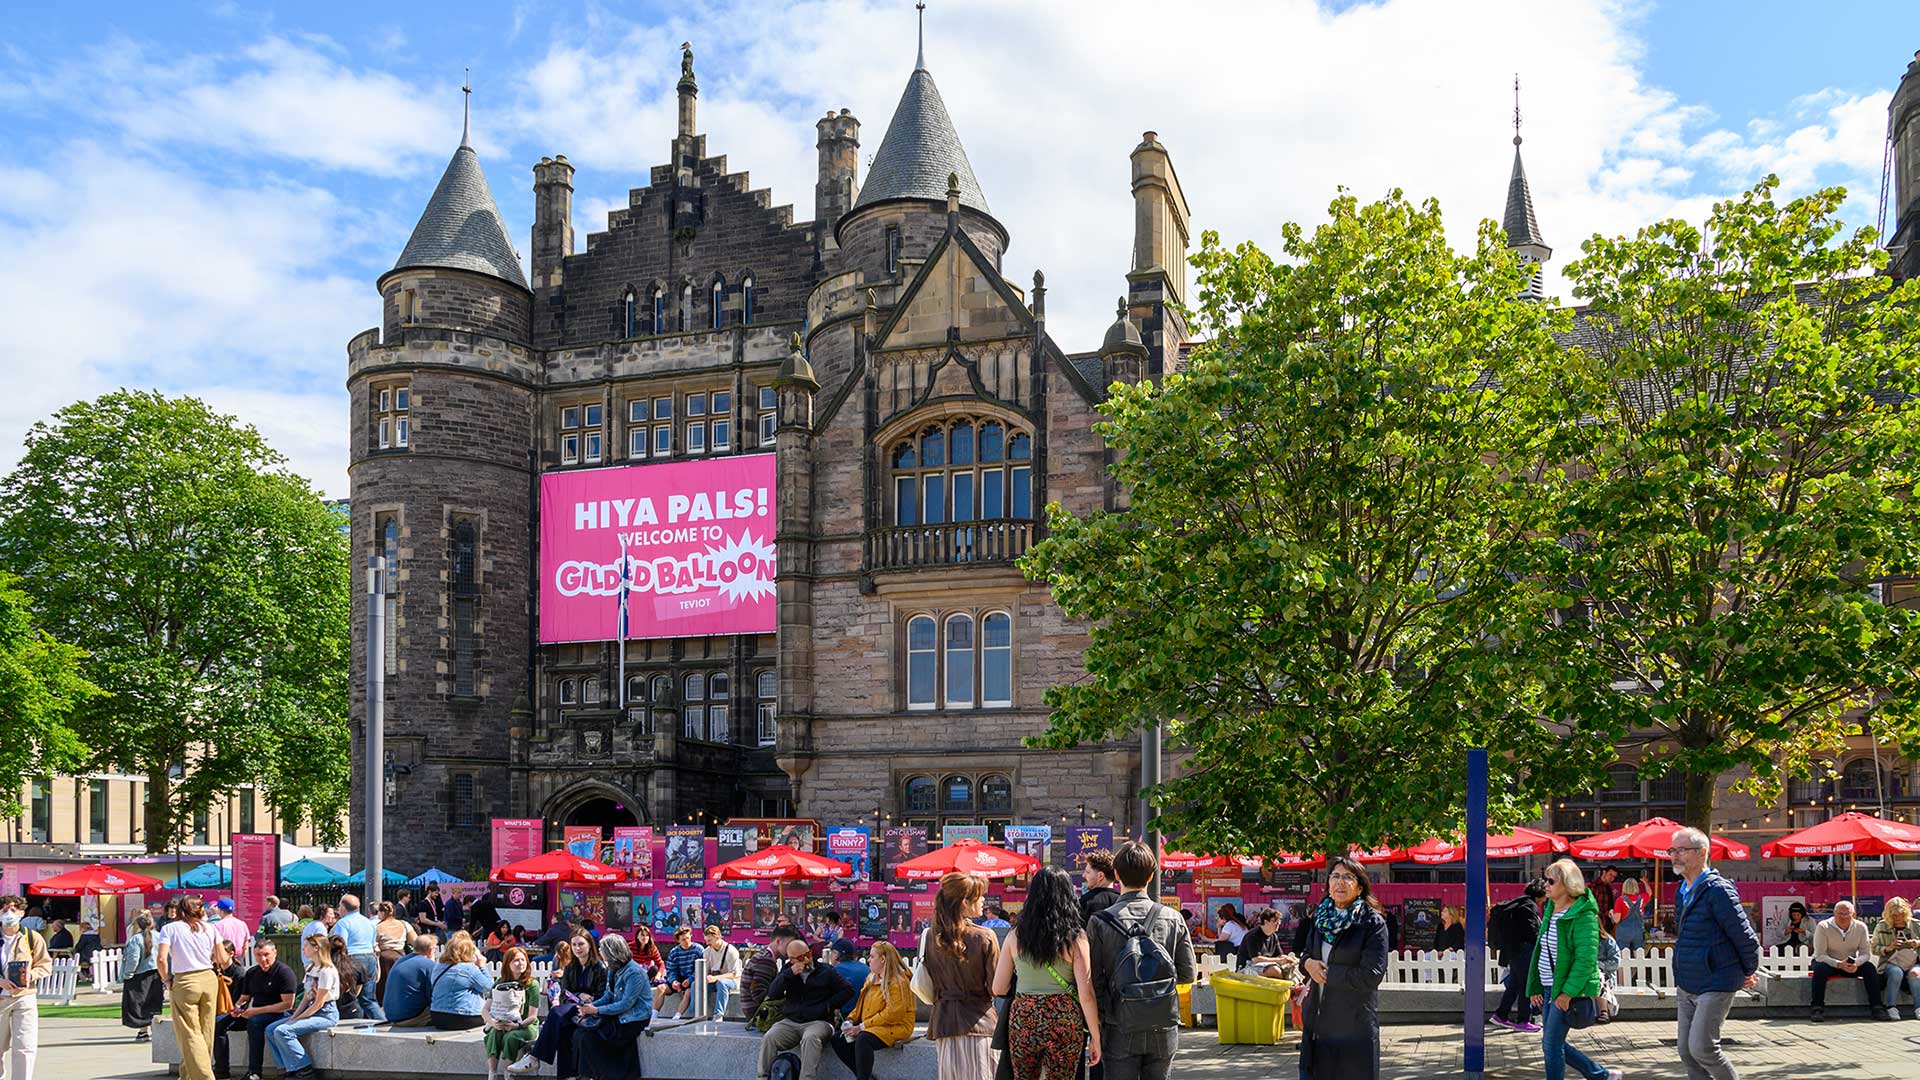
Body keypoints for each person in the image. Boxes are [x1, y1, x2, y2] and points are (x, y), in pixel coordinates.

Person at [1087, 840, 1195, 1080]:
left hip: (1118, 1025)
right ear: (1151, 876)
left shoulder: (1099, 922)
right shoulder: (1173, 918)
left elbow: (1093, 981)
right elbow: (1188, 973)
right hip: (1162, 1023)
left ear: (1116, 874)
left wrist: (1102, 1021)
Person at [992, 867, 1103, 1080]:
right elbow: (1086, 994)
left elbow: (998, 988)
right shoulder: (1076, 937)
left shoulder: (1015, 935)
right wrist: (1096, 1038)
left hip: (1024, 1015)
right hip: (1064, 1018)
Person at [1669, 826, 1759, 1080]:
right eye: (1672, 850)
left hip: (1716, 980)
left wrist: (1748, 970)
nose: (1674, 856)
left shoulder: (1718, 890)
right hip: (1687, 982)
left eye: (1681, 850)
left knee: (1703, 1048)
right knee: (1687, 1052)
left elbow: (1745, 936)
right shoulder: (1682, 890)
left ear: (1702, 853)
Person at [1524, 859, 1619, 1080]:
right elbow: (1542, 951)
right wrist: (1536, 986)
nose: (1545, 885)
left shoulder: (1583, 915)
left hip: (1564, 990)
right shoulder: (1550, 909)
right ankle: (1601, 1075)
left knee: (1551, 1044)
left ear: (1567, 884)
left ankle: (1601, 1075)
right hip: (1549, 988)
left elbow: (1585, 960)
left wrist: (1567, 993)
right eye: (1545, 880)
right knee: (1552, 1042)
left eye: (1551, 881)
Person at [1298, 856, 1390, 1080]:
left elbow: (1371, 975)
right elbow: (1307, 955)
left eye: (1348, 877)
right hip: (1317, 1023)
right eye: (1335, 876)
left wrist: (1328, 974)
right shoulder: (1320, 918)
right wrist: (1308, 964)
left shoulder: (1372, 923)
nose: (1340, 882)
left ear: (1359, 888)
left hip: (1353, 1026)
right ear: (1328, 884)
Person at [921, 872, 1001, 1080]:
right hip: (978, 1022)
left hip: (944, 1023)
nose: (983, 900)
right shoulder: (985, 936)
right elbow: (996, 988)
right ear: (965, 901)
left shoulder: (931, 937)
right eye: (980, 895)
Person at [756, 937, 856, 1080]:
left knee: (810, 1038)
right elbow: (773, 993)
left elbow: (848, 990)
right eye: (800, 958)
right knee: (770, 1037)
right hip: (791, 1021)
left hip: (819, 1021)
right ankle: (763, 1077)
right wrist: (789, 974)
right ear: (791, 959)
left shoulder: (826, 971)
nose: (807, 960)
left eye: (808, 954)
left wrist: (828, 1006)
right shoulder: (787, 971)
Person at [506, 933, 605, 1076]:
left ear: (590, 945)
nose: (577, 948)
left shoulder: (600, 968)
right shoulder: (571, 967)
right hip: (573, 1006)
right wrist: (579, 995)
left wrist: (590, 999)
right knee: (562, 1030)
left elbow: (603, 995)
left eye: (581, 944)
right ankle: (567, 1076)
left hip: (592, 1010)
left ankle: (534, 1057)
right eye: (574, 945)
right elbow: (564, 993)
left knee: (556, 1013)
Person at [158, 895, 224, 1080]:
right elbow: (222, 958)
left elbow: (162, 959)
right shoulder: (211, 928)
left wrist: (166, 980)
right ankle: (188, 1074)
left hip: (185, 979)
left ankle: (204, 1076)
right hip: (209, 978)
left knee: (189, 1032)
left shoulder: (170, 928)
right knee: (206, 1031)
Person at [831, 941, 916, 1080]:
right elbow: (860, 1006)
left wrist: (861, 1026)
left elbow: (893, 1014)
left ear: (882, 959)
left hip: (897, 1026)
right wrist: (850, 1020)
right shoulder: (871, 978)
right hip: (873, 1026)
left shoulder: (898, 982)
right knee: (838, 1039)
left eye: (872, 956)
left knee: (863, 1039)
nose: (868, 960)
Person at [573, 934, 652, 1080]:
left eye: (601, 948)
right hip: (618, 1013)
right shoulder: (613, 968)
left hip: (634, 1018)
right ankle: (589, 1074)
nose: (599, 951)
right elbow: (608, 996)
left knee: (591, 1037)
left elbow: (626, 1004)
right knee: (580, 1034)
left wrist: (596, 1010)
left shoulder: (635, 973)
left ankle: (605, 1075)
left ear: (611, 952)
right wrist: (589, 1007)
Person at [215, 940, 296, 1080]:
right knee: (219, 1023)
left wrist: (256, 1011)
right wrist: (237, 1008)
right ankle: (221, 1072)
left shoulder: (284, 972)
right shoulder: (252, 972)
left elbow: (287, 1005)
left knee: (255, 1022)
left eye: (266, 954)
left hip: (278, 1015)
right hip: (255, 1013)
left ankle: (254, 1072)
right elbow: (244, 997)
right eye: (258, 955)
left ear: (274, 953)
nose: (262, 959)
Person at [263, 932, 338, 1080]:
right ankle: (285, 1068)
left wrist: (299, 1019)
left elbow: (319, 1003)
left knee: (283, 1031)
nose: (303, 949)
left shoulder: (327, 971)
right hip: (310, 1009)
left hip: (325, 1014)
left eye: (306, 946)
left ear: (316, 948)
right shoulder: (311, 968)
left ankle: (304, 1069)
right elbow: (305, 997)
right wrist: (294, 1017)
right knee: (270, 1029)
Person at [0, 895, 51, 1080]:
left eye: (13, 909)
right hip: (1, 998)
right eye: (4, 909)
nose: (9, 913)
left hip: (24, 996)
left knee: (25, 1046)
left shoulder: (32, 937)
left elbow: (45, 964)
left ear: (22, 913)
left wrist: (32, 974)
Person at [1489, 880, 1546, 1032]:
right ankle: (1523, 1020)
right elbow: (1531, 932)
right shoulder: (1529, 906)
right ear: (1540, 894)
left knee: (1514, 984)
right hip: (1524, 951)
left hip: (1513, 951)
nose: (1545, 898)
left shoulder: (1519, 903)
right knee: (1526, 985)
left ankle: (1501, 1015)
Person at [1811, 899, 1881, 1021]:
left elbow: (1865, 953)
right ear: (1834, 913)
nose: (1843, 917)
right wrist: (1839, 964)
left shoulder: (1861, 927)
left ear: (1853, 914)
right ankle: (1817, 1008)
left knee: (1869, 968)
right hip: (1828, 963)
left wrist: (1856, 963)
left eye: (1846, 914)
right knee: (1820, 969)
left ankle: (1877, 1007)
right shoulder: (1823, 926)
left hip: (1850, 963)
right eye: (1840, 913)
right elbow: (1820, 955)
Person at [485, 946, 541, 1080]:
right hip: (503, 1021)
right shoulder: (499, 983)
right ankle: (492, 1074)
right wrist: (493, 1023)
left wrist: (517, 1026)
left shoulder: (532, 984)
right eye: (516, 960)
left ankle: (508, 1074)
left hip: (525, 1026)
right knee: (494, 1034)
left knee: (510, 1037)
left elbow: (533, 1017)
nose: (520, 963)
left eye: (523, 960)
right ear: (507, 963)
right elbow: (485, 1009)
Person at [330, 894, 386, 1021]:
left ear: (343, 907)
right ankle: (382, 1022)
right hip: (369, 958)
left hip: (352, 960)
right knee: (369, 1000)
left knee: (349, 998)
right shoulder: (369, 923)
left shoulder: (343, 923)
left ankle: (350, 1024)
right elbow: (373, 943)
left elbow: (341, 944)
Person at [429, 931, 494, 1030]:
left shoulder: (438, 966)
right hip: (464, 1017)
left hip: (437, 1016)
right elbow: (489, 988)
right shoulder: (468, 969)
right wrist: (482, 966)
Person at [1872, 896, 1920, 1020]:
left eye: (1901, 915)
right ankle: (1891, 1007)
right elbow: (1874, 948)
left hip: (1914, 960)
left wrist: (1917, 943)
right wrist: (1888, 948)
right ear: (1889, 915)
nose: (1898, 918)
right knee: (1895, 972)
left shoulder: (1916, 924)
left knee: (1915, 973)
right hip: (1891, 961)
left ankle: (1918, 1007)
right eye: (1894, 916)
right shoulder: (1882, 926)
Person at [741, 925, 802, 1021]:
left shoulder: (764, 955)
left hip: (755, 1012)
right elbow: (759, 996)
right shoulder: (766, 960)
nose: (791, 949)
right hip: (760, 1015)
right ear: (778, 941)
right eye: (789, 945)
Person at [121, 911, 163, 1043]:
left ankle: (143, 1030)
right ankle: (153, 1030)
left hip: (139, 975)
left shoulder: (135, 939)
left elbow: (133, 959)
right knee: (154, 1003)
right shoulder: (159, 936)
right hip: (156, 974)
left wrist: (128, 974)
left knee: (139, 1004)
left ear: (138, 925)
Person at [380, 934, 440, 1025]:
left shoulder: (400, 961)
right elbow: (433, 995)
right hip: (411, 1017)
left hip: (391, 1015)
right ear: (431, 950)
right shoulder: (428, 965)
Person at [659, 926, 704, 1018]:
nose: (687, 941)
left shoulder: (698, 949)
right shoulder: (674, 952)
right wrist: (674, 981)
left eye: (688, 938)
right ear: (678, 940)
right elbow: (671, 970)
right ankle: (654, 1015)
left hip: (692, 980)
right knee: (661, 988)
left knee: (688, 992)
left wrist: (690, 980)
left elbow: (701, 969)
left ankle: (677, 1016)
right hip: (679, 979)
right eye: (683, 939)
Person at [374, 901, 416, 997]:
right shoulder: (404, 924)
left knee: (383, 990)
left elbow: (373, 944)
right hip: (400, 958)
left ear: (382, 912)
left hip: (383, 960)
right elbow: (415, 941)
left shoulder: (377, 927)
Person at [703, 924, 742, 1020]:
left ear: (717, 937)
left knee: (721, 983)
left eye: (709, 940)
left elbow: (733, 974)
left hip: (732, 981)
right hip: (713, 981)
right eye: (706, 940)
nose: (707, 943)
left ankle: (718, 1015)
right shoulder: (707, 952)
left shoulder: (731, 951)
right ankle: (696, 1014)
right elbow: (705, 971)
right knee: (696, 985)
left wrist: (715, 978)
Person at [1239, 908, 1289, 976]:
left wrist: (1289, 959)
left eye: (1279, 921)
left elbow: (1279, 955)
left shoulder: (1274, 936)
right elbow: (1256, 959)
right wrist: (1278, 960)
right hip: (1246, 967)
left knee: (1291, 967)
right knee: (1275, 970)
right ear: (1266, 922)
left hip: (1263, 965)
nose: (1278, 923)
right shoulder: (1253, 936)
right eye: (1275, 921)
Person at [1079, 851, 1122, 924]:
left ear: (1100, 876)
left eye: (1088, 872)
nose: (1083, 875)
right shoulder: (1122, 901)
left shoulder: (1085, 902)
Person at [1595, 912, 1621, 1026]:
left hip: (1606, 975)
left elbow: (1615, 963)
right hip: (1584, 972)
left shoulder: (1608, 941)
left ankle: (1604, 1011)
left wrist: (1598, 965)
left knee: (1598, 977)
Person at [1613, 878, 1647, 953]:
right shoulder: (1642, 899)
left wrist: (1611, 913)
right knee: (1639, 955)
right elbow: (1649, 893)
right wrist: (1645, 882)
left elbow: (1616, 920)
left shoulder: (1620, 900)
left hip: (1624, 932)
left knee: (1624, 956)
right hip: (1638, 931)